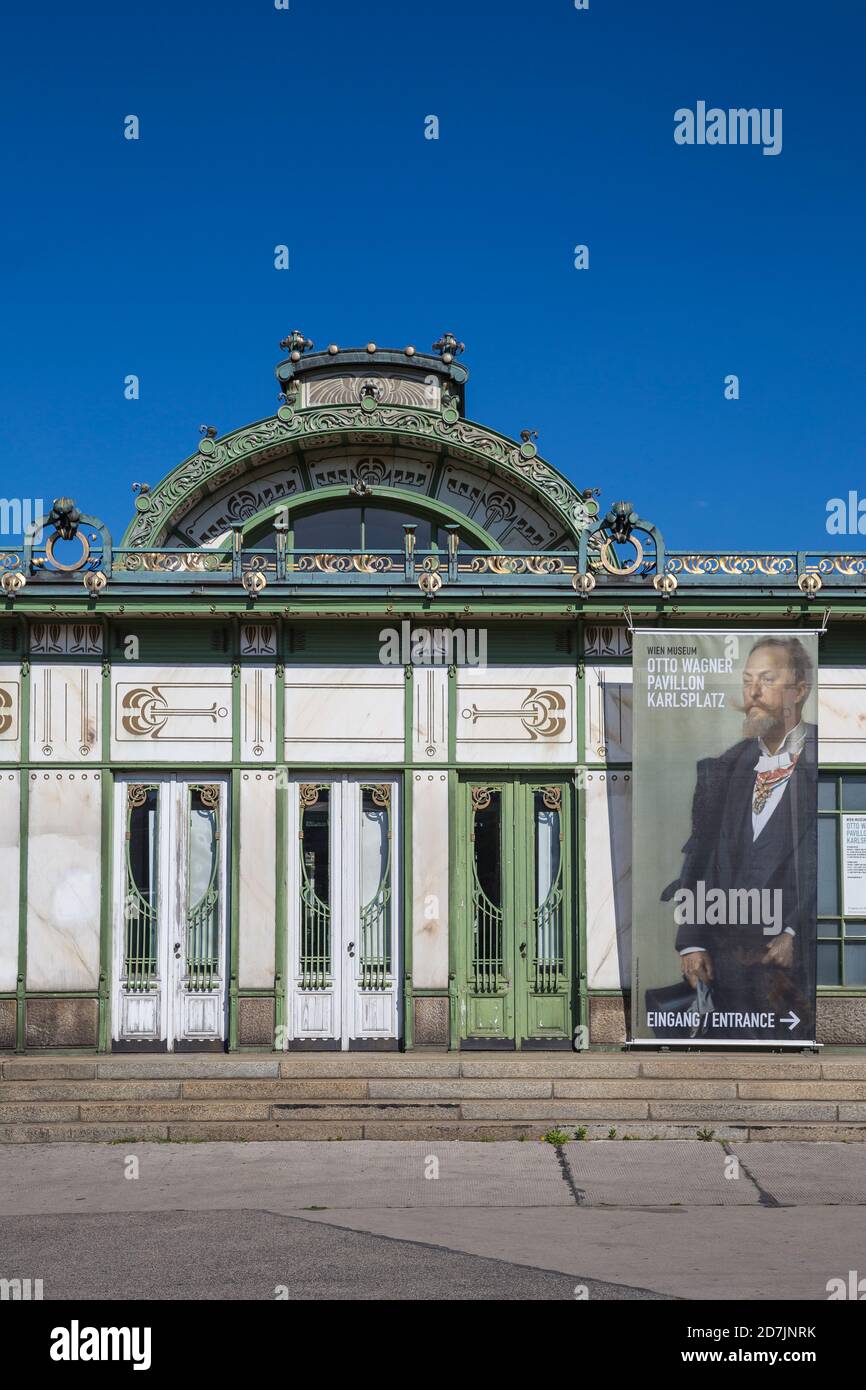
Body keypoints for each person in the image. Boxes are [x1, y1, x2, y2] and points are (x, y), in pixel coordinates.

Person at [662, 636, 817, 1039]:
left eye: (767, 678)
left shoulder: (826, 759)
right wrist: (691, 942)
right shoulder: (724, 768)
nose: (753, 691)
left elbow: (830, 861)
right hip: (726, 963)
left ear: (799, 690)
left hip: (791, 970)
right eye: (748, 680)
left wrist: (797, 930)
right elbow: (699, 855)